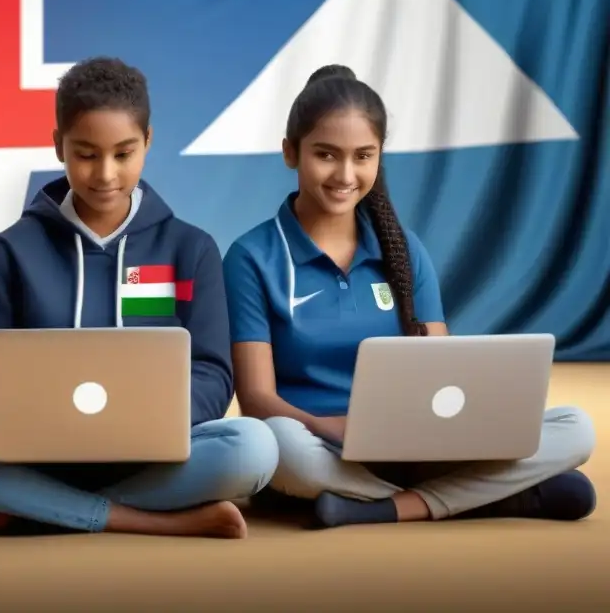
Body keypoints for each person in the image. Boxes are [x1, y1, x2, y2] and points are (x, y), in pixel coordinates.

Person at [0, 57, 279, 540]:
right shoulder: (13, 250)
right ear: (58, 145)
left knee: (253, 447)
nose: (105, 173)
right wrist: (41, 418)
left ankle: (22, 509)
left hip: (151, 457)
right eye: (86, 153)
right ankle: (137, 519)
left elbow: (212, 371)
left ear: (148, 142)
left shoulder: (190, 250)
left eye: (123, 154)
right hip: (38, 455)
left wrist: (142, 422)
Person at [223, 65, 597, 529]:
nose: (345, 173)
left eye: (363, 156)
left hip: (415, 446)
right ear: (290, 153)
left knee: (576, 427)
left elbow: (442, 373)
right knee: (277, 443)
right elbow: (257, 398)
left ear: (379, 158)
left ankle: (390, 507)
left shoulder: (404, 249)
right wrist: (331, 427)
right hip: (320, 446)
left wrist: (453, 428)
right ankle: (486, 496)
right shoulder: (250, 257)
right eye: (325, 155)